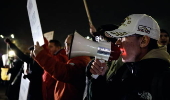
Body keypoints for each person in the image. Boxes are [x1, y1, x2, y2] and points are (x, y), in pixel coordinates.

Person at [90, 14, 170, 100]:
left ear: (144, 41)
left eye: (122, 37)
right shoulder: (125, 70)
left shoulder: (165, 79)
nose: (117, 43)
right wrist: (100, 77)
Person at [33, 34, 91, 100]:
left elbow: (64, 72)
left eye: (68, 44)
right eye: (65, 44)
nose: (65, 47)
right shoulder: (75, 59)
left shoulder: (81, 61)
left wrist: (41, 55)